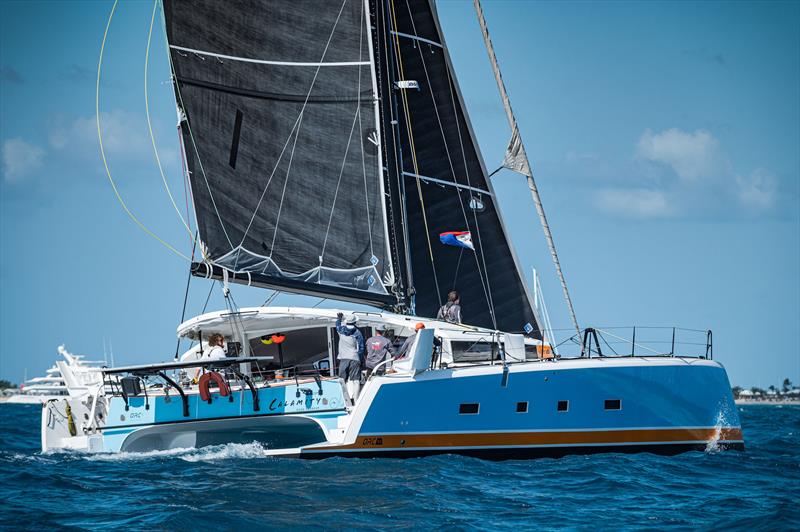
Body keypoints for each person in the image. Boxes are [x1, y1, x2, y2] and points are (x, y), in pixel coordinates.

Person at [335, 312, 365, 405]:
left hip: (344, 358)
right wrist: (361, 360)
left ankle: (345, 400)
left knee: (342, 380)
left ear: (347, 322)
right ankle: (356, 401)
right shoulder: (357, 333)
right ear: (354, 322)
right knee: (356, 380)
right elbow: (361, 348)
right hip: (354, 358)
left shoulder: (341, 330)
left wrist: (339, 318)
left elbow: (337, 325)